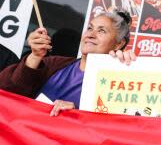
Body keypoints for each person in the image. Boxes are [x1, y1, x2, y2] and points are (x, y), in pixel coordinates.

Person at [0, 10, 131, 115]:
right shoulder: (54, 64)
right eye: (90, 28)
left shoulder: (119, 82)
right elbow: (7, 93)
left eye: (102, 31)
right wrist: (35, 56)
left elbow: (116, 128)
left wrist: (77, 113)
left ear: (119, 44)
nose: (91, 35)